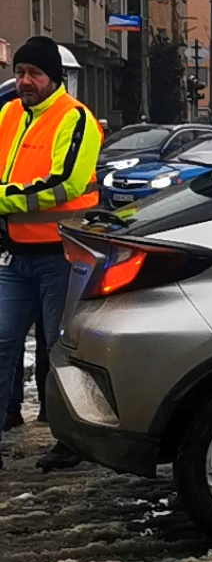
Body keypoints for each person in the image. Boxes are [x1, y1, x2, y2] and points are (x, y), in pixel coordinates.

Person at [0, 36, 103, 471]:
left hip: (62, 256)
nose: (25, 81)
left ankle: (69, 440)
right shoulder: (8, 114)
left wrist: (2, 199)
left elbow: (65, 184)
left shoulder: (75, 118)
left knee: (60, 350)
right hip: (15, 254)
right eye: (20, 72)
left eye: (34, 74)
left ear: (54, 78)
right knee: (2, 341)